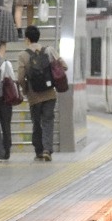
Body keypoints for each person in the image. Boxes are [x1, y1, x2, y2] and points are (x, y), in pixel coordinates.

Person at [18, 25, 63, 162]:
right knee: (48, 121)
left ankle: (38, 150)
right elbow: (64, 66)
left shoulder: (23, 55)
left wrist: (26, 90)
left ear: (27, 39)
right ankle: (47, 150)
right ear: (39, 37)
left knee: (36, 123)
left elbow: (20, 78)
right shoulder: (49, 51)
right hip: (49, 94)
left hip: (34, 95)